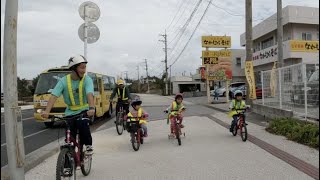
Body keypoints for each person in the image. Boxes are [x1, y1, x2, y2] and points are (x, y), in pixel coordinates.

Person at [41, 55, 95, 154]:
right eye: (82, 67)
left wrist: (91, 108)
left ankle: (88, 145)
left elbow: (89, 94)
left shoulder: (87, 80)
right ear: (74, 68)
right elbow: (53, 96)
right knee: (69, 137)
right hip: (69, 112)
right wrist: (47, 112)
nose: (84, 70)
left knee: (83, 126)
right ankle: (67, 162)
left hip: (84, 110)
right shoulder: (63, 81)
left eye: (85, 67)